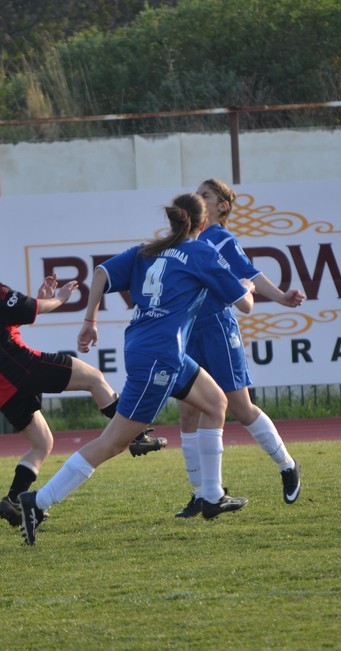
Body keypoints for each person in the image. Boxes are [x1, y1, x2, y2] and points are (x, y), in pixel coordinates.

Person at [18, 192, 256, 546]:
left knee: (216, 402)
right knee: (114, 442)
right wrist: (247, 285)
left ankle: (211, 496)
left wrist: (89, 321)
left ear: (173, 220)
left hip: (157, 350)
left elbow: (101, 272)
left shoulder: (149, 250)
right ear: (203, 223)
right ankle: (37, 502)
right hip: (160, 356)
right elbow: (245, 304)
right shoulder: (201, 252)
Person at [0, 236, 165, 529]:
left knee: (42, 443)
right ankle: (135, 435)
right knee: (94, 379)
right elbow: (28, 308)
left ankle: (14, 500)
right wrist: (59, 299)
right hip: (13, 365)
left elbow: (9, 318)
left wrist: (39, 298)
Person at [175, 179, 306, 518]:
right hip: (188, 331)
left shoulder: (221, 238)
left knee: (240, 407)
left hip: (217, 329)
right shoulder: (185, 239)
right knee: (187, 411)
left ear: (223, 207)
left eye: (205, 195)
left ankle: (287, 465)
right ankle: (200, 494)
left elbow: (250, 274)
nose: (198, 198)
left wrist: (281, 297)